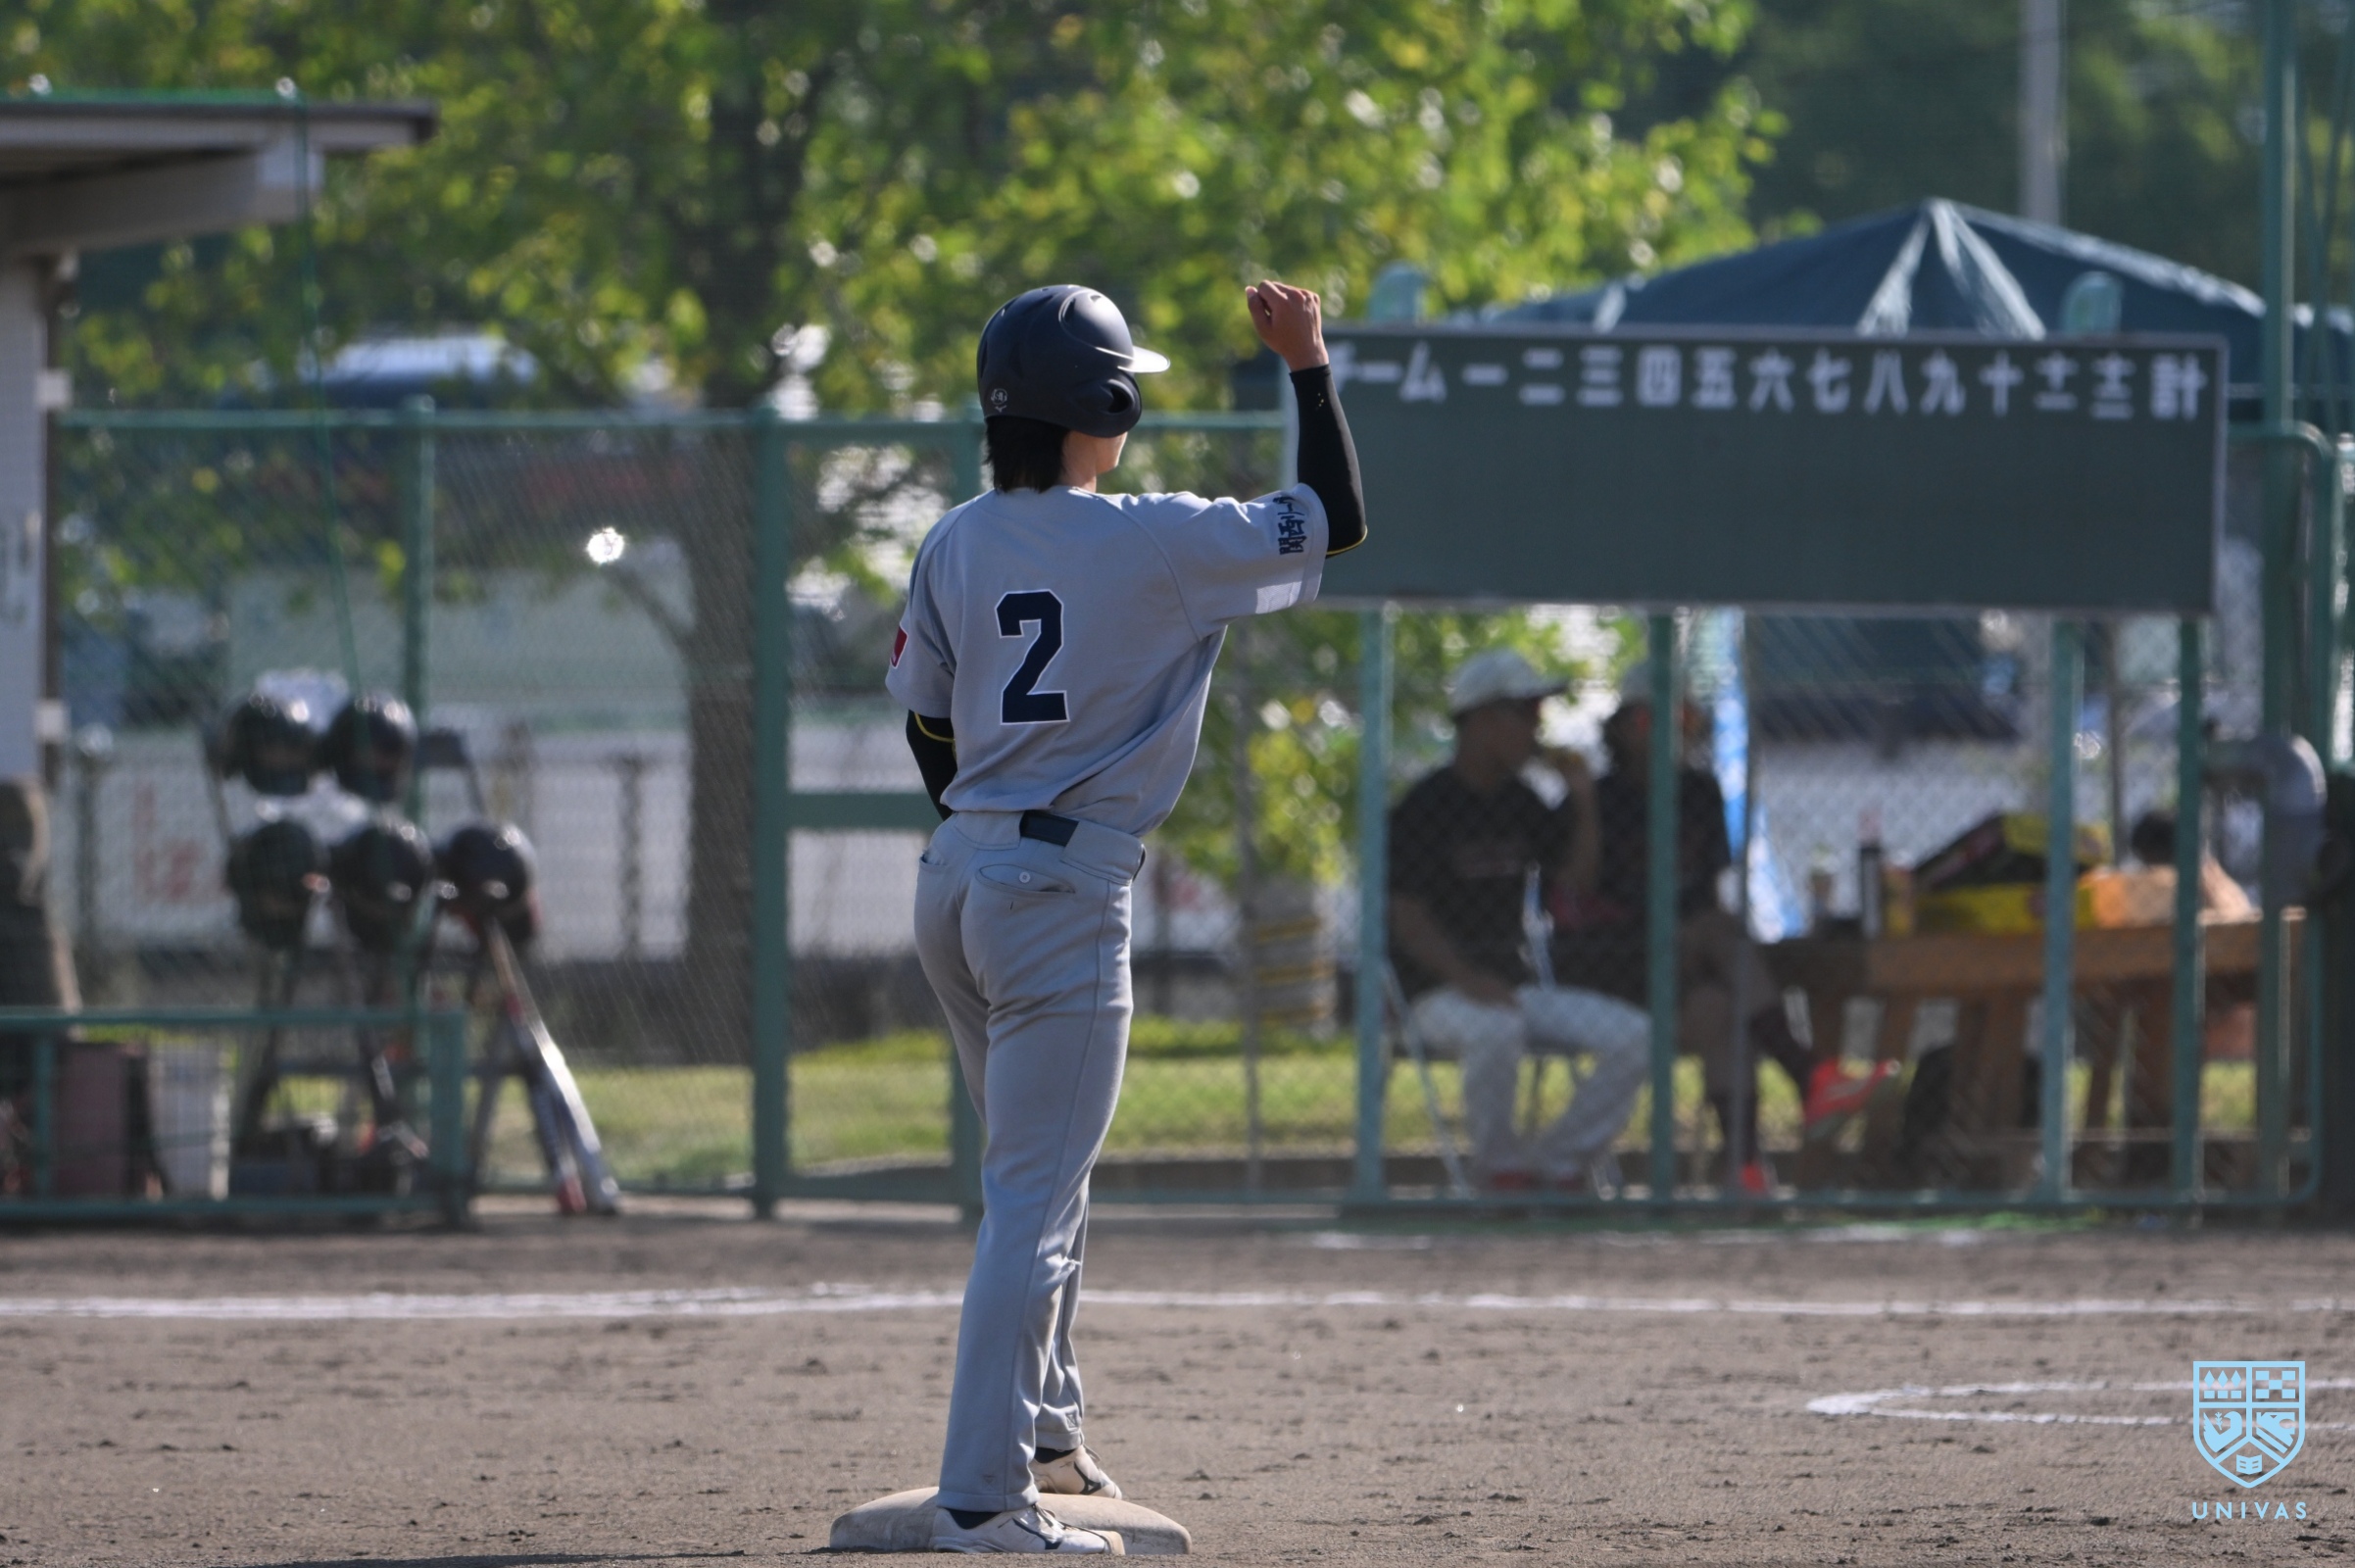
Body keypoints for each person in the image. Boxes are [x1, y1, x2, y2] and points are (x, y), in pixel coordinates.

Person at [889, 280, 1362, 1553]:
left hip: (957, 878)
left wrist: (989, 830)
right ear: (1103, 407)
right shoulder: (1156, 538)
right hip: (1057, 891)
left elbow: (928, 725)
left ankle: (1047, 1436)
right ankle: (983, 1499)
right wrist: (1307, 366)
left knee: (1043, 1174)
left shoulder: (953, 539)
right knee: (1032, 1201)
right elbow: (1335, 523)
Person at [1556, 664, 1887, 1193]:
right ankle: (1807, 1073)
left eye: (1683, 719)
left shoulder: (1700, 791)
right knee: (1719, 926)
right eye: (1648, 722)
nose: (1669, 734)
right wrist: (1588, 811)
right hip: (1618, 960)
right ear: (1619, 728)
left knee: (1718, 1009)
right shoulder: (1600, 797)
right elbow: (1574, 891)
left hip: (1687, 961)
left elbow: (1706, 890)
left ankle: (1743, 1168)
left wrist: (1700, 955)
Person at [1387, 650, 1648, 1193]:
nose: (1537, 727)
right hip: (1436, 994)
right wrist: (1466, 978)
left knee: (1637, 1035)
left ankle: (1557, 1164)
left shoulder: (1522, 800)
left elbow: (1576, 882)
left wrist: (1582, 800)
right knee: (1496, 1028)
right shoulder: (1424, 805)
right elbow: (1407, 917)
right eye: (1526, 712)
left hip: (1513, 986)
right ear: (1483, 719)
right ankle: (1500, 1170)